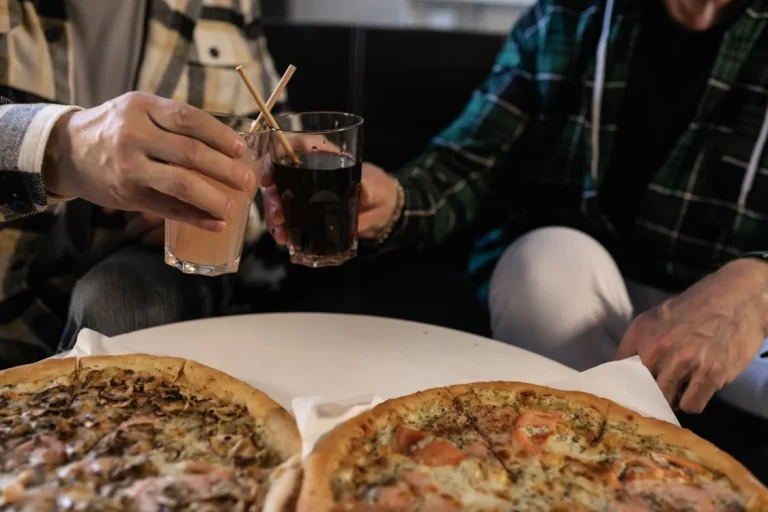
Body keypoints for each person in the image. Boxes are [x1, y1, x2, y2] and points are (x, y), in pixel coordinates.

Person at [264, 0, 768, 417]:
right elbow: (467, 165)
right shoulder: (564, 18)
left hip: (754, 320)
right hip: (594, 300)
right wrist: (393, 201)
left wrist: (754, 289)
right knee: (544, 265)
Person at [0, 0, 285, 367]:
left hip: (156, 279)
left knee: (121, 301)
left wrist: (232, 202)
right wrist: (60, 147)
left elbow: (265, 143)